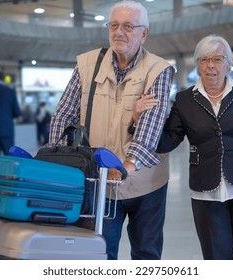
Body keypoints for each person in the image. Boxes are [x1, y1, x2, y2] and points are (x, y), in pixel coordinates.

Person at [134, 34, 233, 260]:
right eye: (204, 60)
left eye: (217, 59)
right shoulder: (184, 100)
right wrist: (139, 121)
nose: (210, 66)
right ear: (197, 65)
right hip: (206, 192)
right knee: (215, 258)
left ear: (228, 64)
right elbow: (168, 141)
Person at [47, 0, 174, 260]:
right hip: (99, 181)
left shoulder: (158, 69)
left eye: (128, 26)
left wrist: (127, 166)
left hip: (145, 182)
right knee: (100, 253)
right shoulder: (87, 64)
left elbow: (151, 123)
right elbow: (64, 114)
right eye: (114, 25)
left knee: (146, 254)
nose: (119, 32)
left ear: (144, 33)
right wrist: (55, 156)